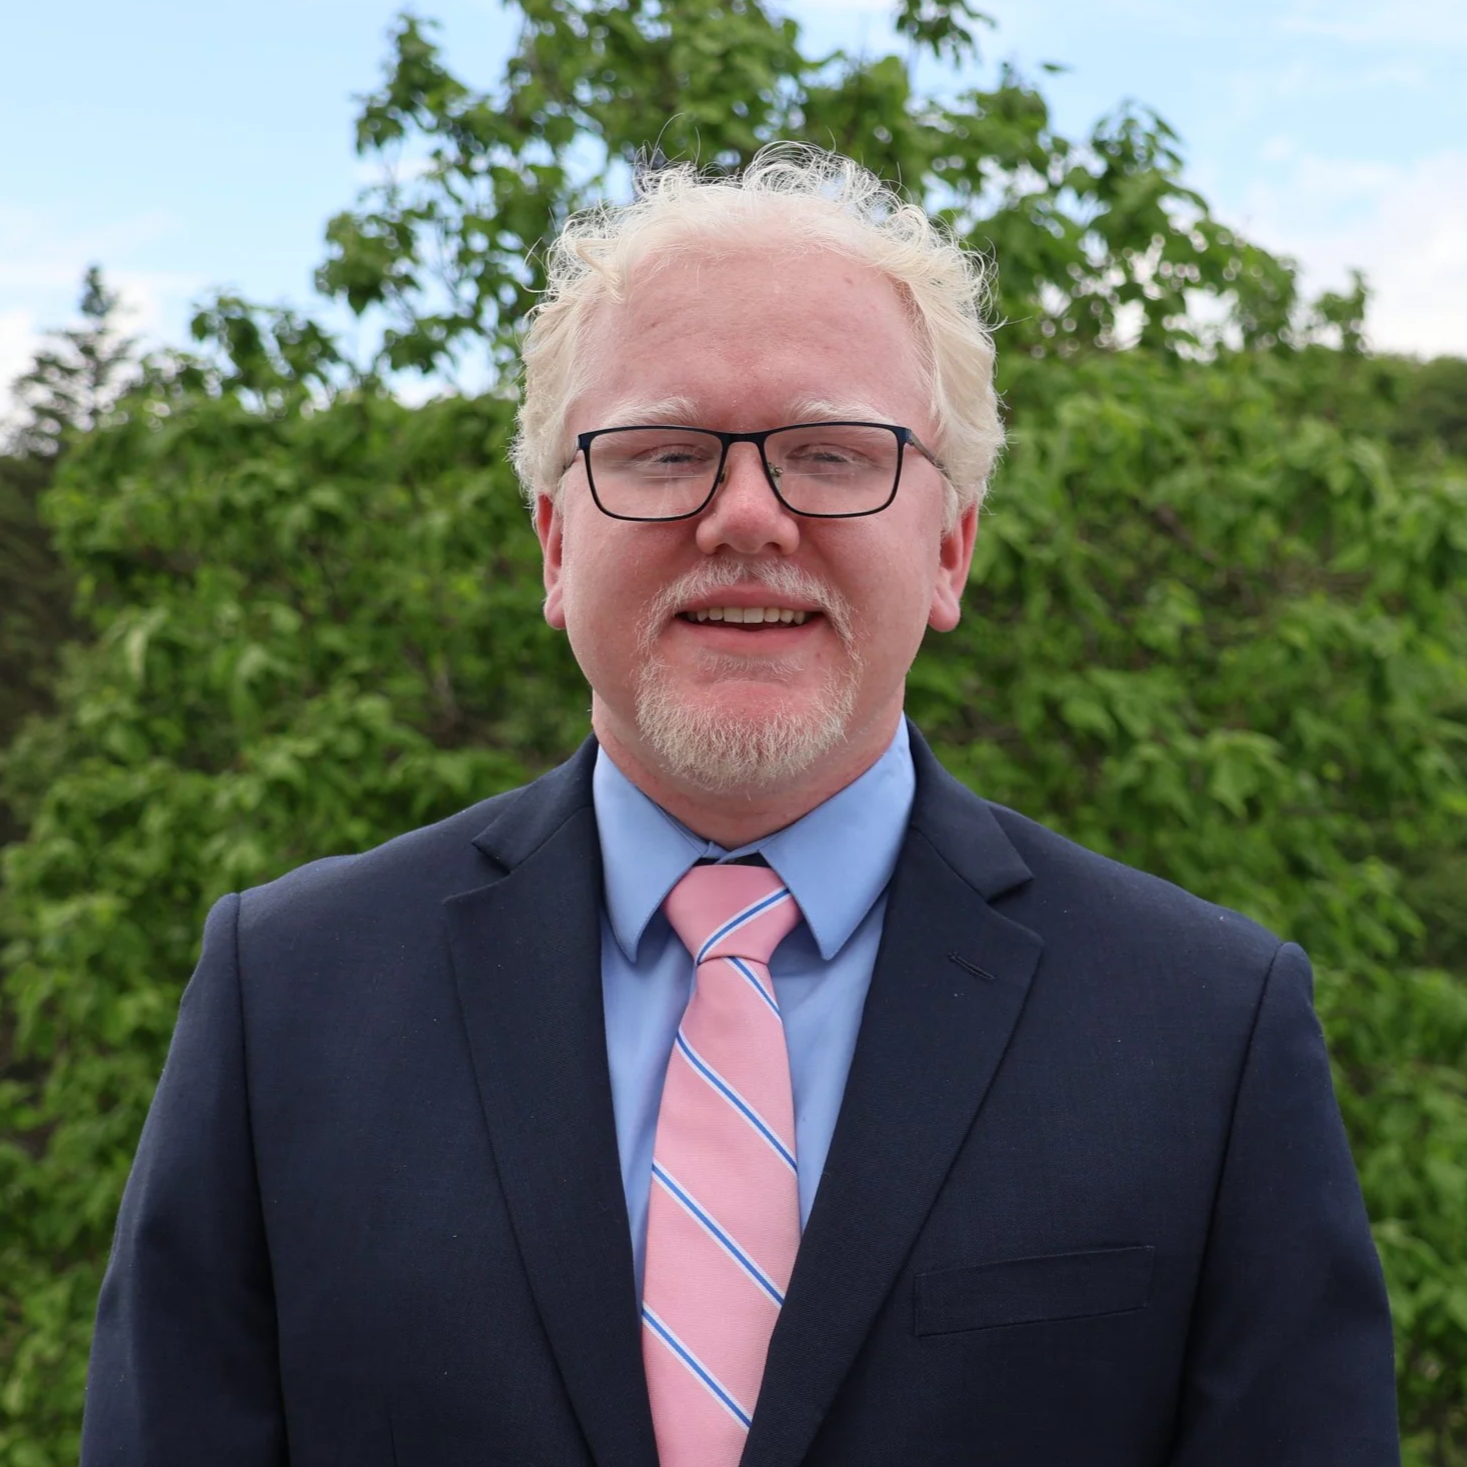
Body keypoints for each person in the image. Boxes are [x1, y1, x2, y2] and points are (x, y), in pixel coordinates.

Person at [81, 145, 1399, 1467]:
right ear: (555, 545)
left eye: (833, 453)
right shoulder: (285, 995)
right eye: (663, 453)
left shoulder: (1208, 1027)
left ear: (950, 549)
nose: (747, 517)